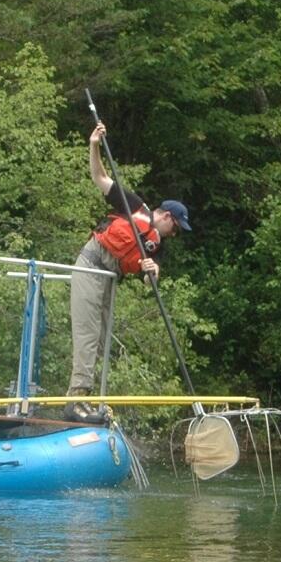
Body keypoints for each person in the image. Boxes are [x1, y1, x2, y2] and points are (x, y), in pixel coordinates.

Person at [65, 121, 190, 422]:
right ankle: (74, 402)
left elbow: (148, 277)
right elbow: (100, 177)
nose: (175, 234)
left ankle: (88, 400)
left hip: (108, 277)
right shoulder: (134, 206)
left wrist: (153, 272)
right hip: (91, 265)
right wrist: (94, 144)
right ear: (166, 216)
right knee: (88, 334)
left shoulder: (155, 245)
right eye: (176, 227)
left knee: (103, 337)